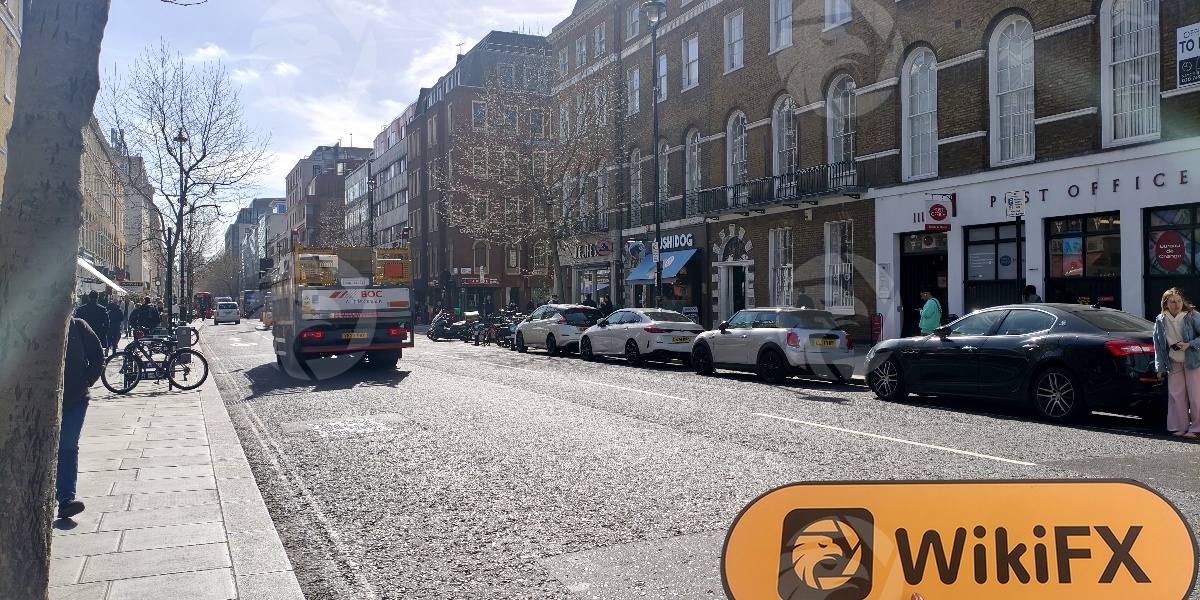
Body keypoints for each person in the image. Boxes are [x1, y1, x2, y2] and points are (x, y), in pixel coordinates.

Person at [58, 317, 104, 519]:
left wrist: (86, 381)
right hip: (39, 400)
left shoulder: (78, 326)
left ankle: (66, 499)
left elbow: (97, 356)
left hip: (75, 399)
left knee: (67, 446)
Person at [1153, 288, 1200, 438]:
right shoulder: (1160, 319)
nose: (1177, 304)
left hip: (1193, 361)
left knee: (1196, 396)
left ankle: (1197, 429)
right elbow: (1158, 344)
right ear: (1165, 304)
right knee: (1176, 395)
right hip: (1173, 361)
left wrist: (1190, 344)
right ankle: (1180, 427)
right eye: (1173, 302)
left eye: (1179, 301)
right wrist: (1160, 367)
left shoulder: (1192, 315)